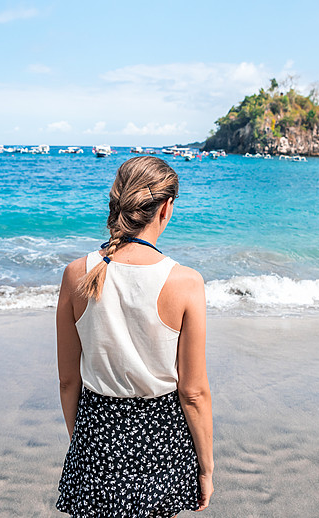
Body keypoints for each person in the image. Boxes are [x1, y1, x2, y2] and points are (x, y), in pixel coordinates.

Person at [55, 156, 214, 517]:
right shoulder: (186, 282)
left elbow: (68, 381)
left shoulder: (76, 273)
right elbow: (193, 392)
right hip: (161, 436)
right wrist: (205, 467)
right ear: (166, 208)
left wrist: (80, 442)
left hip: (96, 431)